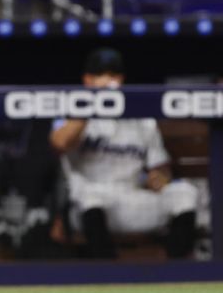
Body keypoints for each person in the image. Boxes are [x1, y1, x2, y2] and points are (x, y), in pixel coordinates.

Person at [49, 48, 198, 259]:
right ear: (87, 79)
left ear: (121, 79)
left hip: (132, 197)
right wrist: (90, 103)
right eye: (100, 74)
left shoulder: (142, 118)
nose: (108, 81)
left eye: (113, 75)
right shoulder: (73, 113)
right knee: (91, 195)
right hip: (88, 203)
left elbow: (160, 168)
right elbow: (59, 143)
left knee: (184, 193)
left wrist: (160, 177)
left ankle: (174, 272)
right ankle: (107, 273)